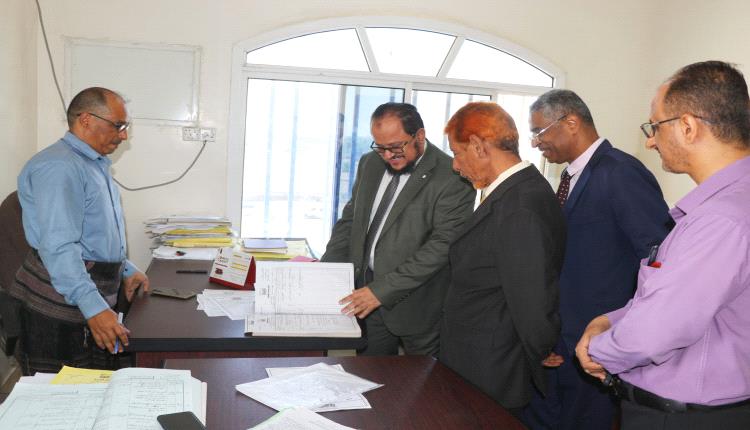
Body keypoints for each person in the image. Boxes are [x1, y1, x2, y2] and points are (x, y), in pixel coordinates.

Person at [577, 61, 750, 429]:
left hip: (683, 417)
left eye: (654, 126)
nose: (650, 140)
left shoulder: (720, 220)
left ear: (687, 127)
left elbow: (654, 332)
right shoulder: (731, 203)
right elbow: (679, 301)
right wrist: (610, 320)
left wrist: (597, 350)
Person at [523, 90, 671, 429]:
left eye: (539, 132)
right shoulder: (570, 177)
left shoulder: (620, 172)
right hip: (561, 335)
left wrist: (627, 328)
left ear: (571, 123)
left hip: (597, 338)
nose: (535, 142)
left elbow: (658, 255)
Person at [439, 102, 566, 418]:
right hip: (478, 358)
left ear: (478, 147)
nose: (455, 165)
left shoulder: (520, 204)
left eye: (457, 153)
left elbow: (531, 294)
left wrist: (540, 346)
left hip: (492, 367)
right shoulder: (509, 192)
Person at [10, 87, 149, 375]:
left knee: (93, 384)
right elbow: (59, 246)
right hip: (60, 303)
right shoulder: (59, 167)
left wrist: (125, 268)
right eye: (118, 125)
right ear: (86, 119)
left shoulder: (93, 164)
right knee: (65, 394)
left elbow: (97, 233)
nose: (123, 135)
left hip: (87, 292)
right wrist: (94, 307)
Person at [321, 102, 474, 356]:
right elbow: (350, 221)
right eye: (380, 147)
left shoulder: (452, 175)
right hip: (367, 298)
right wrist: (326, 271)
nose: (388, 156)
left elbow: (441, 247)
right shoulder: (369, 163)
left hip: (419, 306)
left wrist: (380, 292)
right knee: (371, 373)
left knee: (424, 377)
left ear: (419, 136)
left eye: (395, 147)